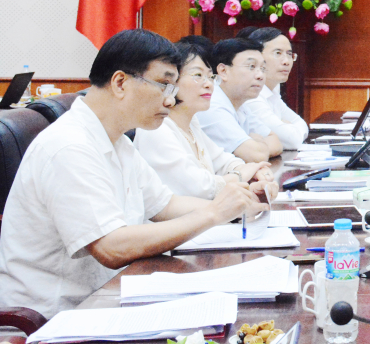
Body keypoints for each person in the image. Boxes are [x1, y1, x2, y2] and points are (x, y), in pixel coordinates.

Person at [0, 30, 262, 318]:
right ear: (120, 82)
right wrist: (213, 213)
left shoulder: (118, 140)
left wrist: (238, 205)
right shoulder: (69, 146)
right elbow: (111, 248)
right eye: (164, 86)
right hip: (58, 317)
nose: (170, 101)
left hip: (110, 295)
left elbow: (165, 205)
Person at [134, 40, 280, 200]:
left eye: (210, 77)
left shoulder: (191, 123)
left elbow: (223, 161)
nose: (209, 84)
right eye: (198, 75)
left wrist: (255, 171)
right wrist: (241, 175)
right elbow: (197, 187)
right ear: (172, 80)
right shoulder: (156, 128)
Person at [195, 38, 284, 163]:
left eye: (263, 68)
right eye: (251, 67)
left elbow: (276, 142)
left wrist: (256, 145)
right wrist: (257, 142)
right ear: (223, 71)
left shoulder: (239, 102)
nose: (260, 75)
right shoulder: (211, 104)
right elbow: (256, 155)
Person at [236, 27, 308, 150]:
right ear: (257, 56)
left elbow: (302, 125)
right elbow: (291, 140)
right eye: (278, 53)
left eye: (289, 54)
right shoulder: (251, 96)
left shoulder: (272, 91)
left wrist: (290, 128)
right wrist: (288, 127)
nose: (286, 61)